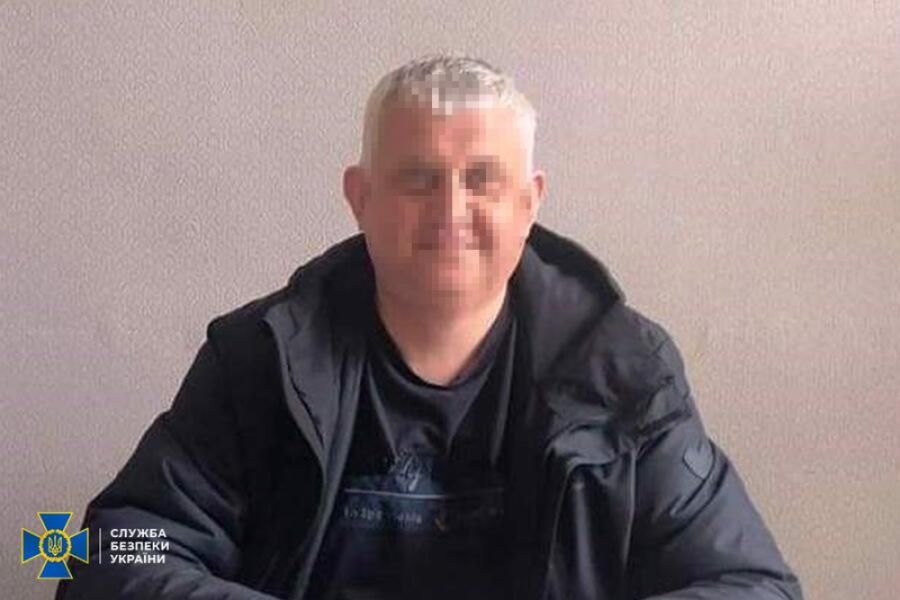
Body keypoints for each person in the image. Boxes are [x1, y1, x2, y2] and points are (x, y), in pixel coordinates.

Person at [57, 53, 804, 599]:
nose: (450, 211)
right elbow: (97, 552)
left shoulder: (622, 369)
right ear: (361, 197)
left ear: (530, 202)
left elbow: (752, 584)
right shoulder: (259, 358)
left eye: (482, 179)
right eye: (418, 178)